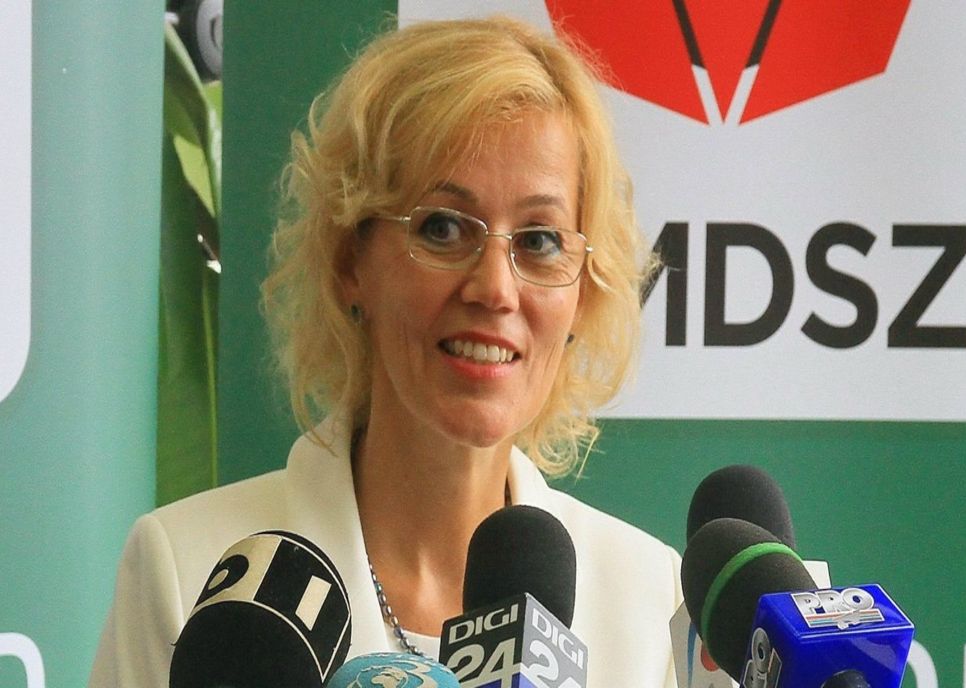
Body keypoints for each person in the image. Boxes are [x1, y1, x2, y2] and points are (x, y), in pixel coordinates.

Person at [90, 15, 682, 687]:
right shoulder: (186, 568)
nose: (495, 288)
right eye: (443, 228)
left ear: (583, 290)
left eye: (539, 240)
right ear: (351, 261)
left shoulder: (647, 595)